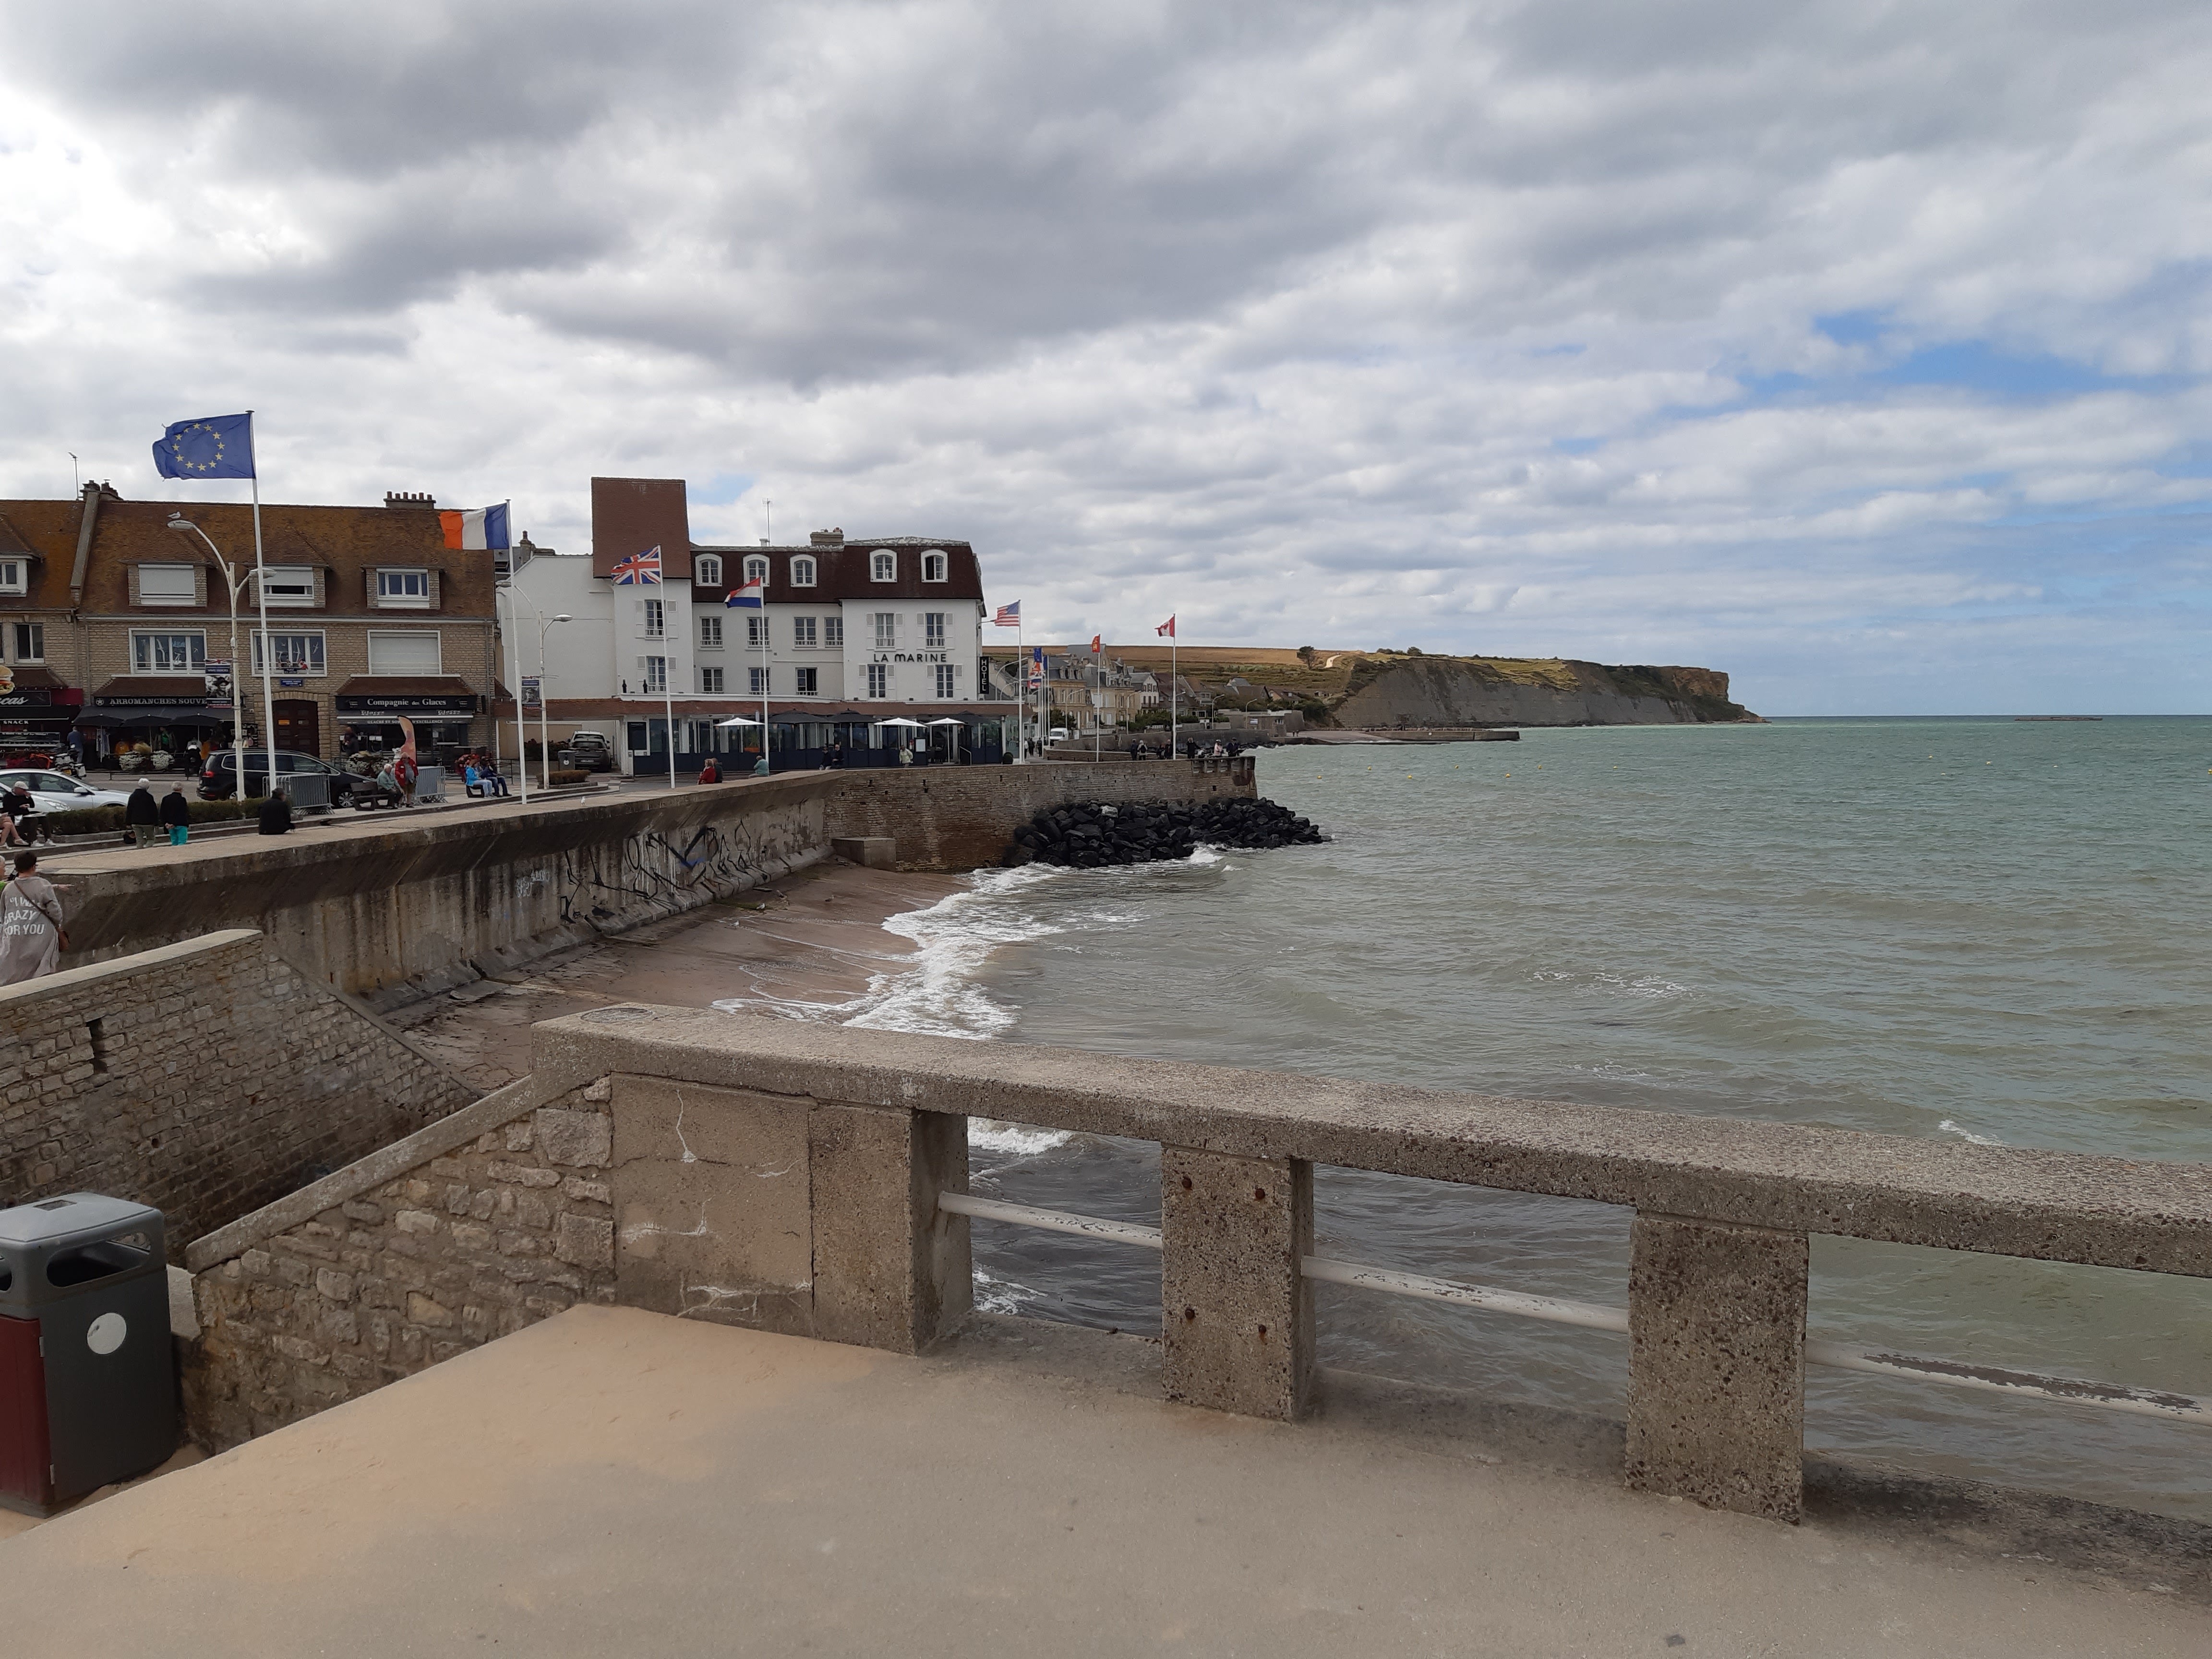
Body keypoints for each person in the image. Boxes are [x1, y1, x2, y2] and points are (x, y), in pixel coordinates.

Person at [0, 850, 68, 984]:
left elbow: (3, 915)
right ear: (33, 867)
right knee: (41, 971)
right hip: (41, 936)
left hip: (14, 935)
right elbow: (55, 913)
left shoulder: (9, 889)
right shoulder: (43, 885)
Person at [125, 777, 161, 849]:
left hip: (135, 821)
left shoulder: (133, 796)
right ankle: (147, 849)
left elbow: (129, 809)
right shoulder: (149, 797)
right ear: (148, 787)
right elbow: (154, 811)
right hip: (148, 822)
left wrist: (128, 822)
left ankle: (140, 850)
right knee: (151, 838)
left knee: (139, 839)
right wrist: (156, 823)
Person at [160, 781, 192, 845]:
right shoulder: (182, 800)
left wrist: (166, 823)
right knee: (182, 841)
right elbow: (183, 813)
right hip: (181, 824)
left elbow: (162, 812)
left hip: (169, 825)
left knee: (174, 841)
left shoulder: (166, 799)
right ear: (181, 789)